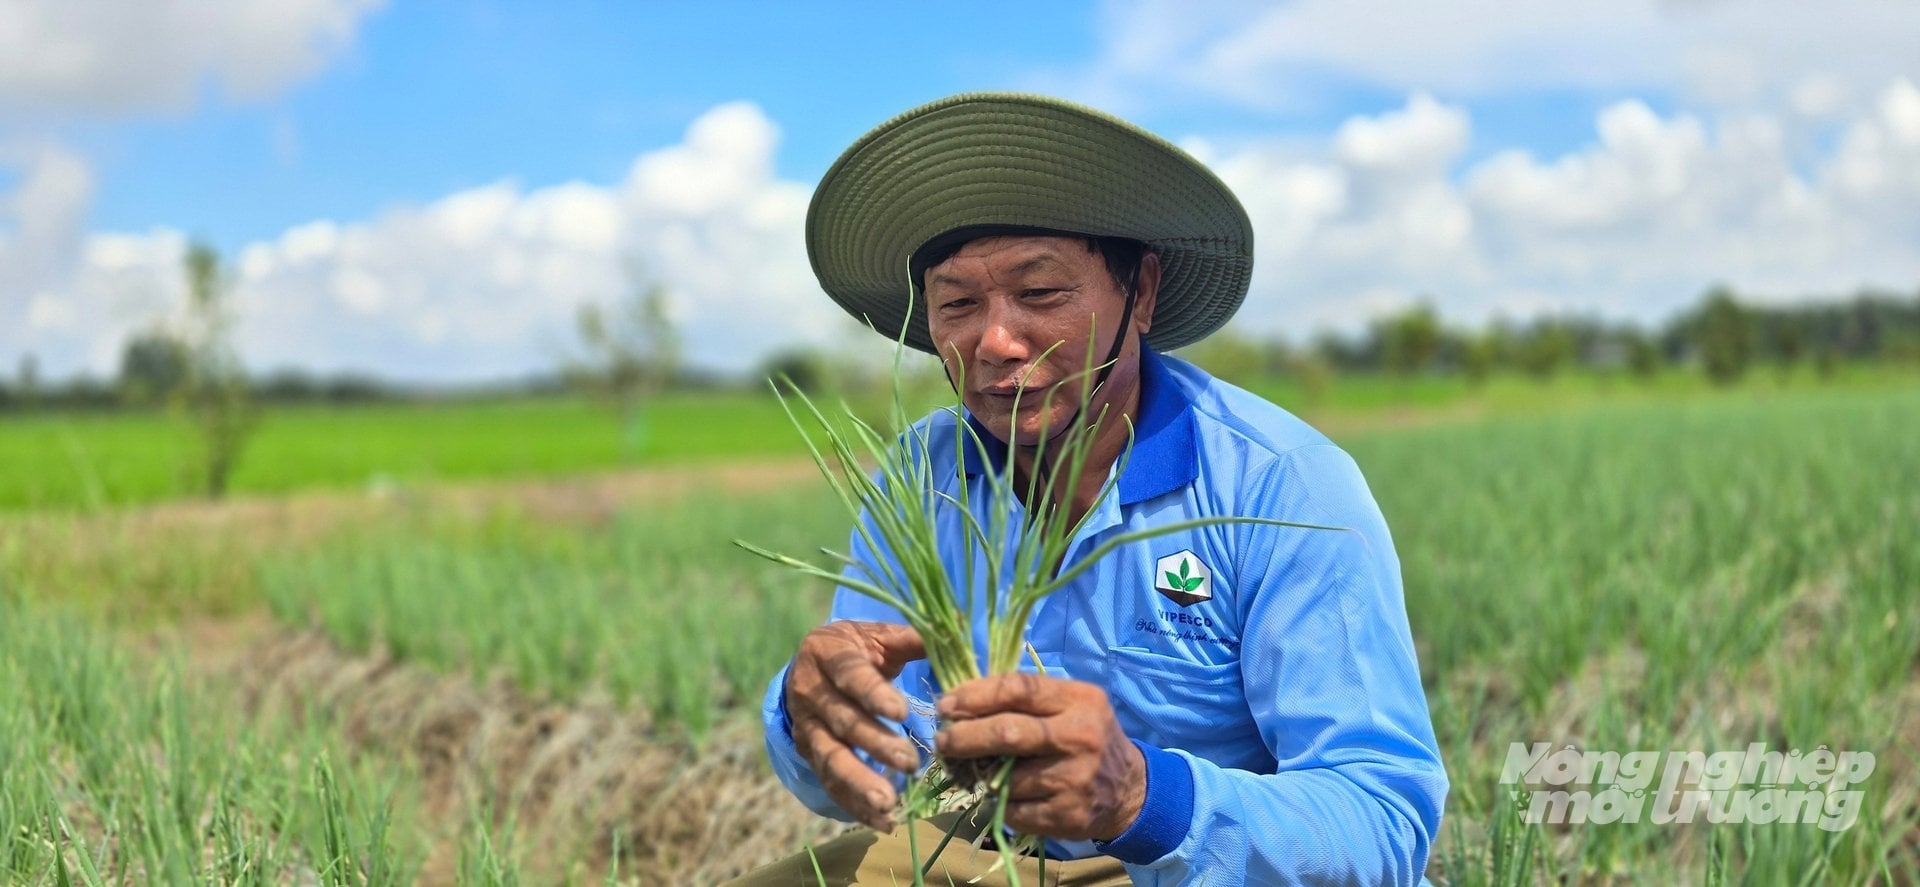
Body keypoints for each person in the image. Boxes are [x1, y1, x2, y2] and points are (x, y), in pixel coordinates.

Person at [731, 93, 1447, 886]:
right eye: (958, 303)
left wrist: (1140, 796)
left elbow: (1383, 819)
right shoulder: (922, 474)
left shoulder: (1283, 485)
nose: (997, 342)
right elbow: (880, 759)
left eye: (1040, 294)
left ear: (1139, 292)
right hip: (995, 854)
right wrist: (811, 717)